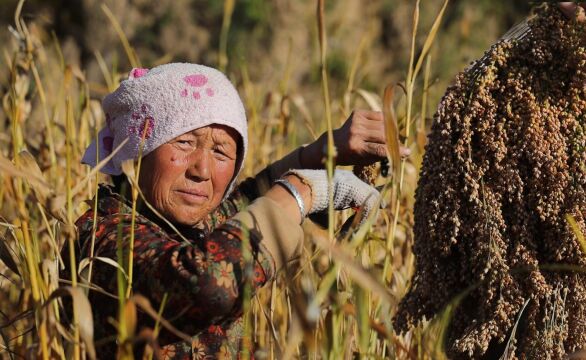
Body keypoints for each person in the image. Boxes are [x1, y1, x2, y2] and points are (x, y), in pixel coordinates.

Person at [67, 63, 401, 359]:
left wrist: (323, 152)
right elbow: (209, 285)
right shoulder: (104, 237)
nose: (202, 170)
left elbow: (247, 199)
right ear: (134, 151)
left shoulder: (179, 220)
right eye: (184, 142)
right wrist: (300, 192)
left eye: (221, 151)